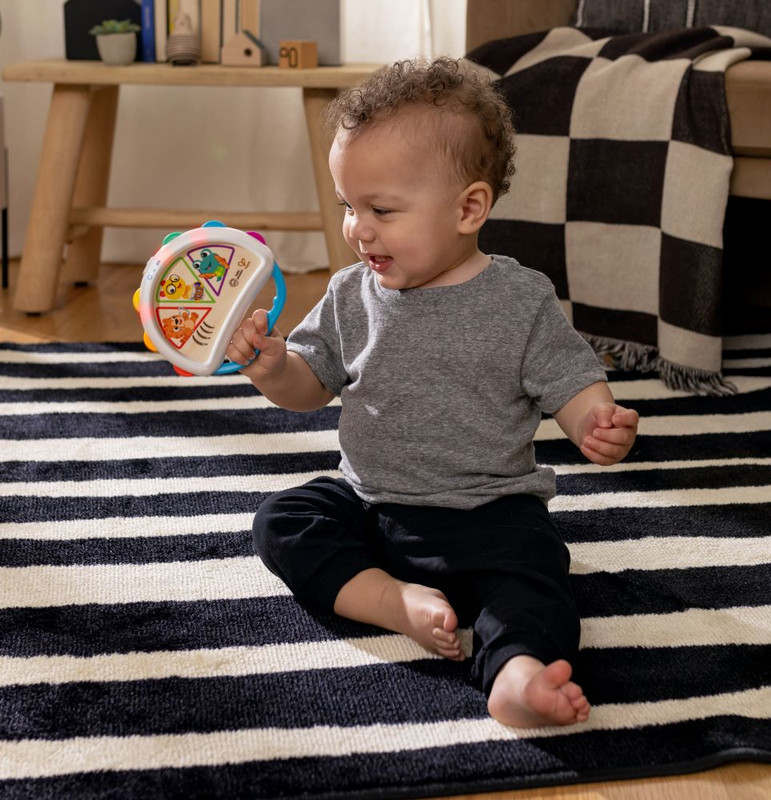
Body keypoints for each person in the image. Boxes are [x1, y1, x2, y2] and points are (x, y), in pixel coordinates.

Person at [227, 57, 639, 728]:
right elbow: (309, 385)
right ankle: (394, 602)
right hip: (370, 503)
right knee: (283, 520)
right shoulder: (349, 294)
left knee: (536, 574)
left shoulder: (519, 299)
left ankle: (517, 675)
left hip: (490, 512)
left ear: (469, 208)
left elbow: (570, 381)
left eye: (381, 210)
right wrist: (274, 369)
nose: (358, 228)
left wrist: (594, 419)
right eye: (348, 206)